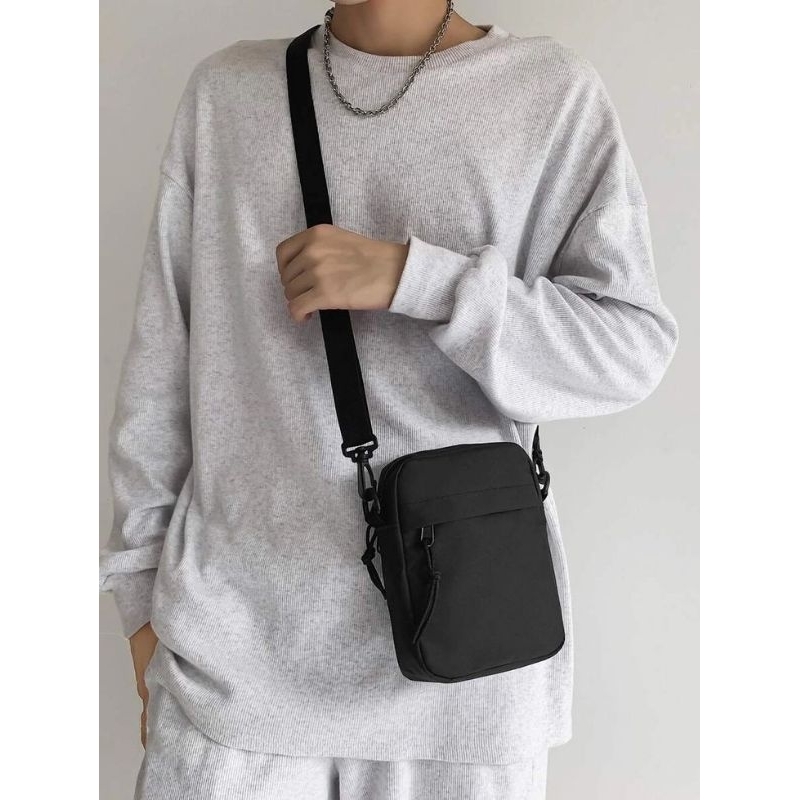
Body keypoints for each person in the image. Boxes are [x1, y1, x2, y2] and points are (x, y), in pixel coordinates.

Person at [99, 1, 679, 797]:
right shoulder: (228, 93)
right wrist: (138, 603)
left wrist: (420, 279)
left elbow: (629, 346)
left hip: (465, 684)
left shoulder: (548, 93)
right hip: (233, 672)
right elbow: (161, 365)